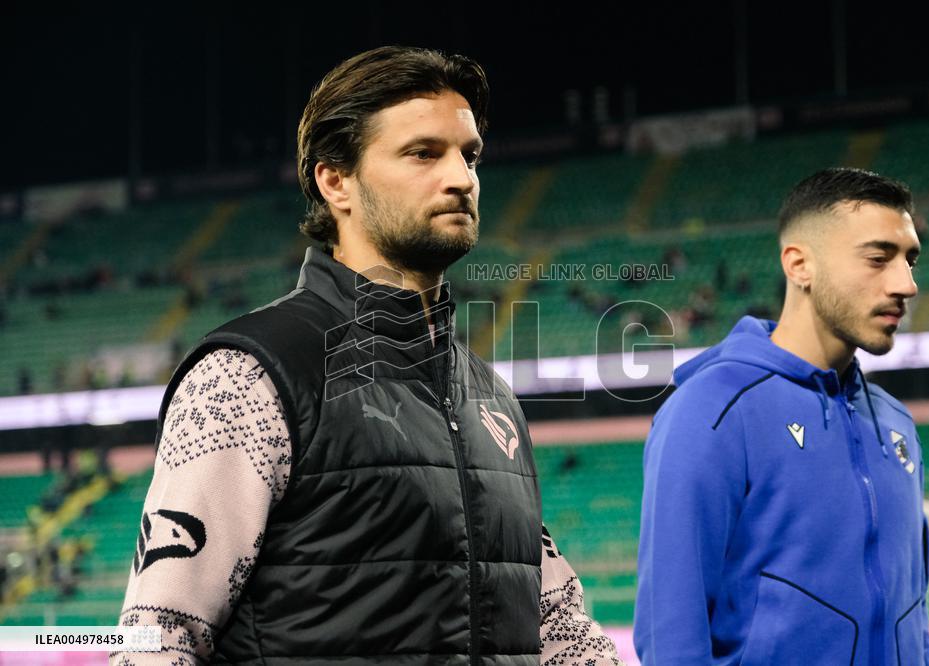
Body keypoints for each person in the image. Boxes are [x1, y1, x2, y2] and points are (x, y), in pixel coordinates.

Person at [111, 46, 621, 665]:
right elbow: (157, 638)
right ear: (335, 181)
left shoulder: (493, 401)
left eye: (469, 155)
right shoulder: (249, 375)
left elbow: (562, 632)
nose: (461, 177)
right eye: (423, 153)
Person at [635, 168, 929, 665]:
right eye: (879, 258)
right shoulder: (712, 410)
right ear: (799, 265)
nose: (907, 284)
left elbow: (915, 615)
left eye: (911, 260)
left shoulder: (897, 424)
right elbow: (673, 640)